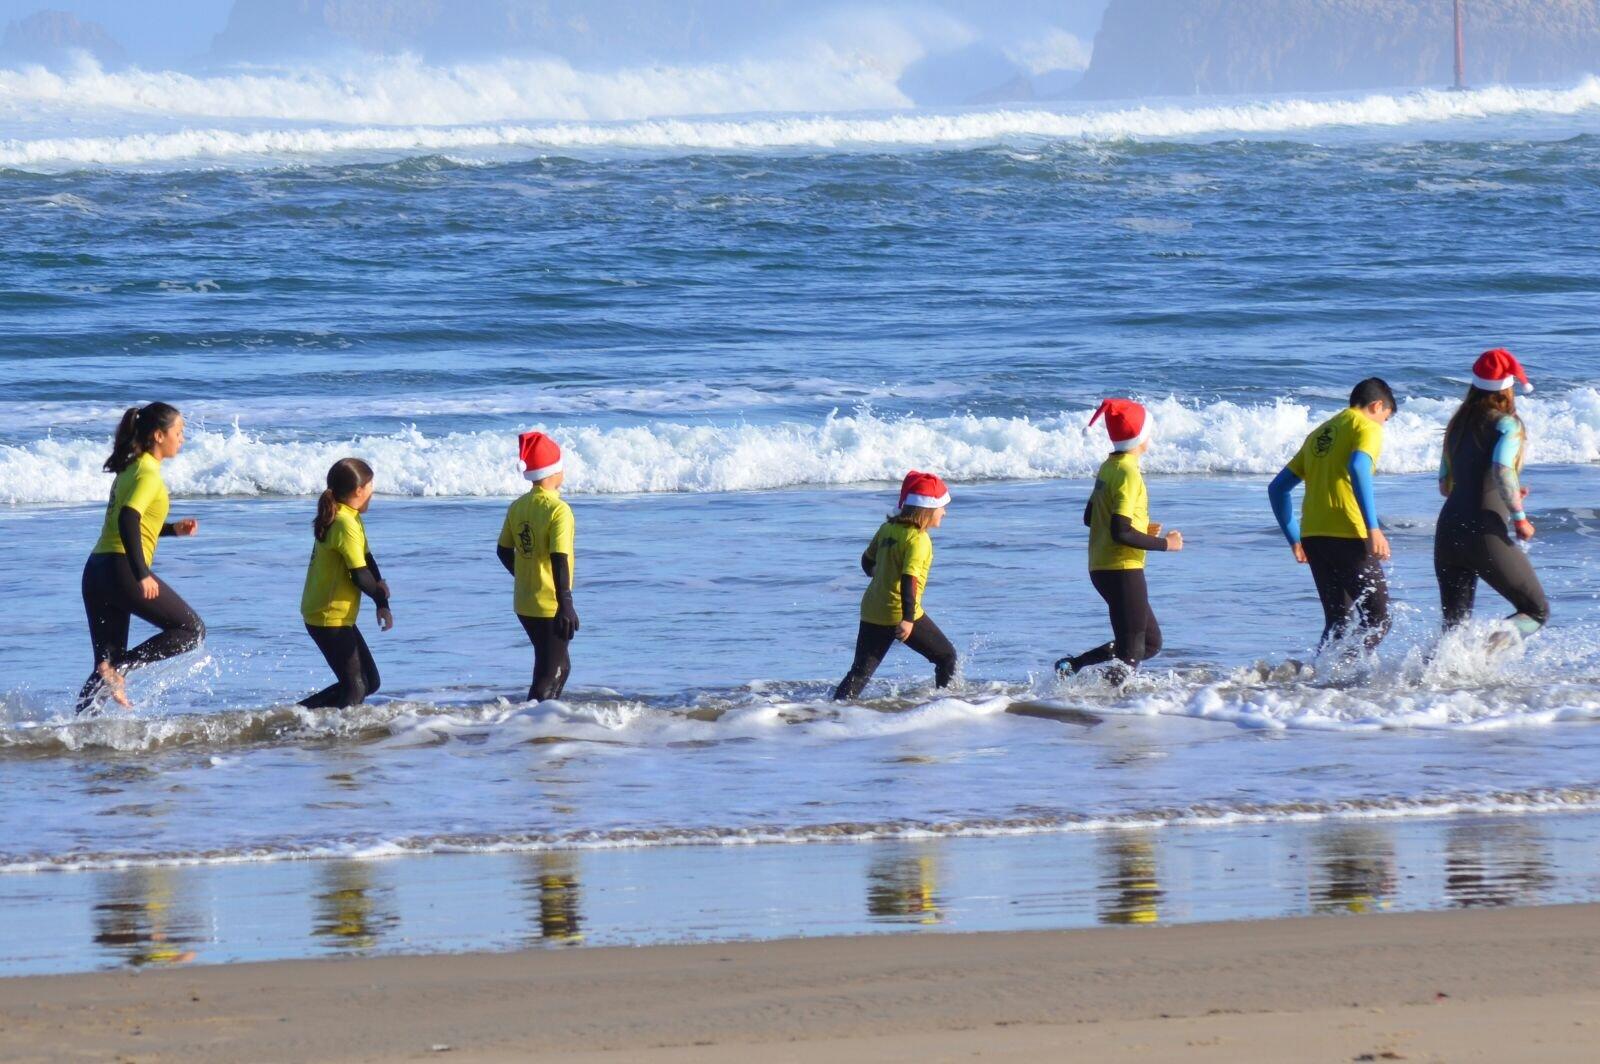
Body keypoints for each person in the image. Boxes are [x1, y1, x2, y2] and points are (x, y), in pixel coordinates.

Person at [77, 403, 205, 713]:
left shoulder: (130, 469)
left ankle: (76, 730)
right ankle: (119, 669)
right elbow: (127, 520)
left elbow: (138, 523)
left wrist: (172, 530)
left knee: (103, 667)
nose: (182, 439)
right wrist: (141, 572)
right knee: (191, 631)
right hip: (122, 570)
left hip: (97, 571)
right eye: (179, 432)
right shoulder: (147, 473)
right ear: (159, 435)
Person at [1267, 378, 1397, 654]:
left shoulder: (1318, 434)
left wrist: (1294, 539)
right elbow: (1359, 466)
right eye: (1385, 418)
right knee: (1379, 620)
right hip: (1348, 534)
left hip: (1314, 537)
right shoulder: (1366, 427)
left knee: (1338, 621)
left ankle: (1321, 679)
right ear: (1377, 406)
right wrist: (1373, 529)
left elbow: (1277, 488)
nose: (1383, 425)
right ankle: (1343, 673)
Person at [1056, 399, 1182, 681]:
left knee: (1149, 643)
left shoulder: (1109, 467)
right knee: (1133, 651)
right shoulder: (1128, 473)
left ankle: (1074, 666)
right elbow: (1121, 532)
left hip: (1102, 568)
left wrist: (1142, 527)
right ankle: (1111, 704)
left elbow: (1092, 517)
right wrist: (1166, 544)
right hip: (1122, 569)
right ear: (1140, 436)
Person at [1435, 348, 1548, 643]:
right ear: (1508, 387)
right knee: (1536, 611)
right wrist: (1520, 517)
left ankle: (1429, 682)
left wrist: (1503, 490)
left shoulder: (1456, 425)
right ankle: (1480, 656)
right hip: (1482, 531)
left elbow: (1445, 485)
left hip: (1448, 530)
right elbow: (1501, 469)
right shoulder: (1507, 425)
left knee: (1453, 631)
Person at [834, 471, 958, 700]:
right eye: (942, 507)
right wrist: (908, 620)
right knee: (946, 657)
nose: (945, 512)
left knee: (860, 673)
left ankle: (831, 713)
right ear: (928, 509)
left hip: (872, 608)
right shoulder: (919, 540)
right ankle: (944, 705)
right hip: (899, 612)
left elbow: (866, 562)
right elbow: (908, 580)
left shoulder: (887, 529)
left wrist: (882, 576)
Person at [299, 458, 392, 708]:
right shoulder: (344, 522)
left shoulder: (348, 516)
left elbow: (367, 558)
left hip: (332, 613)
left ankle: (299, 716)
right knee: (356, 686)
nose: (374, 491)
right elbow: (359, 575)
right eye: (371, 485)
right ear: (358, 490)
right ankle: (336, 736)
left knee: (369, 682)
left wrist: (382, 602)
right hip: (328, 615)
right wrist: (380, 597)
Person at [498, 432, 579, 702]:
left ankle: (545, 724)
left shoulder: (518, 506)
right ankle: (529, 729)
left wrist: (523, 575)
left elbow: (503, 550)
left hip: (524, 603)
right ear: (555, 471)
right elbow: (559, 556)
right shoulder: (559, 510)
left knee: (560, 667)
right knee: (547, 673)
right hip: (550, 604)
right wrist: (565, 602)